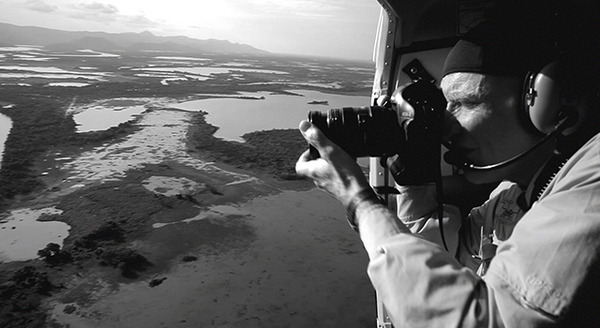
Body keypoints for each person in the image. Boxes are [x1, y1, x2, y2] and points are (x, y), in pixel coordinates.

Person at [295, 1, 600, 326]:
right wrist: (416, 179)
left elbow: (480, 319)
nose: (446, 127)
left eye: (464, 103)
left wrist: (359, 200)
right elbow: (447, 261)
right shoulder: (513, 197)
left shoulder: (592, 177)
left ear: (550, 103)